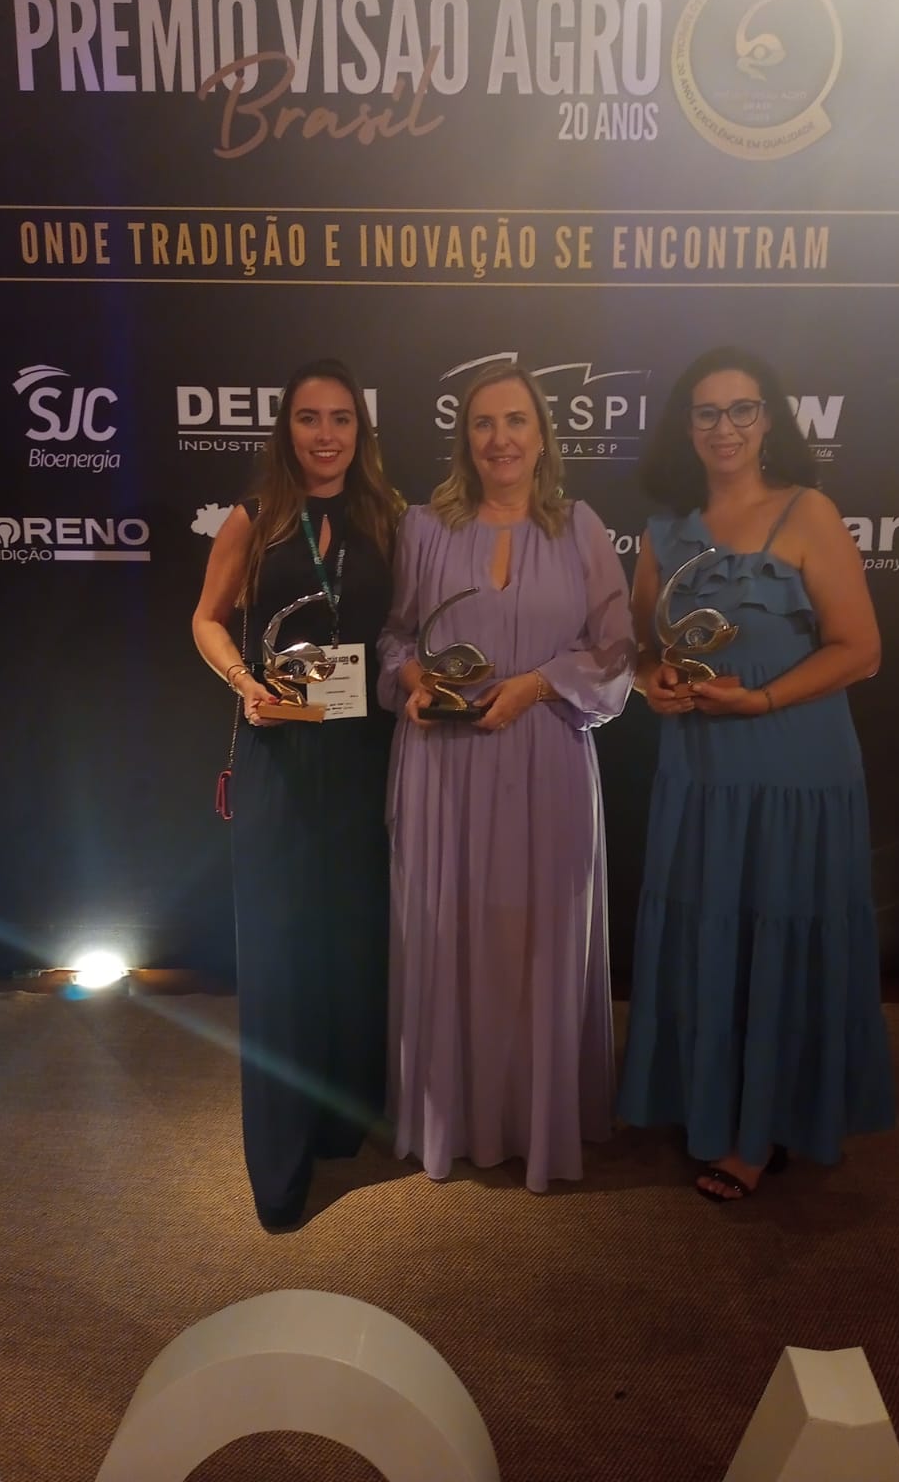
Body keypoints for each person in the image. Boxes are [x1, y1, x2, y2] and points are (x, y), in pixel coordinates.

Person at [617, 345, 895, 1202]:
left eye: (741, 409)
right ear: (686, 427)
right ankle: (707, 1102)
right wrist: (654, 682)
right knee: (711, 938)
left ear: (769, 418)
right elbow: (641, 649)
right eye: (707, 412)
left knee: (778, 936)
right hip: (700, 776)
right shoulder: (662, 533)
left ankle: (760, 1132)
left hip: (795, 773)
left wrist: (764, 700)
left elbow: (862, 650)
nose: (725, 427)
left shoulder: (810, 512)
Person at [378, 363, 636, 1193]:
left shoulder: (581, 528)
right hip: (443, 770)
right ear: (465, 438)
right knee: (448, 934)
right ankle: (453, 1118)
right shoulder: (423, 528)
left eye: (516, 420)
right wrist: (413, 679)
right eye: (484, 423)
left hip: (545, 759)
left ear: (542, 434)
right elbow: (395, 637)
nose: (500, 439)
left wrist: (535, 685)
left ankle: (536, 1121)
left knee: (536, 941)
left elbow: (617, 653)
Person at [192, 357, 404, 1231]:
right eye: (310, 418)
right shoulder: (256, 518)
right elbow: (206, 618)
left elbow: (402, 631)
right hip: (278, 753)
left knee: (351, 946)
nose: (326, 435)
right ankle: (279, 1170)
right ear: (286, 429)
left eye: (341, 419)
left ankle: (339, 1128)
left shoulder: (387, 518)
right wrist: (244, 682)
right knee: (280, 959)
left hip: (363, 755)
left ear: (361, 431)